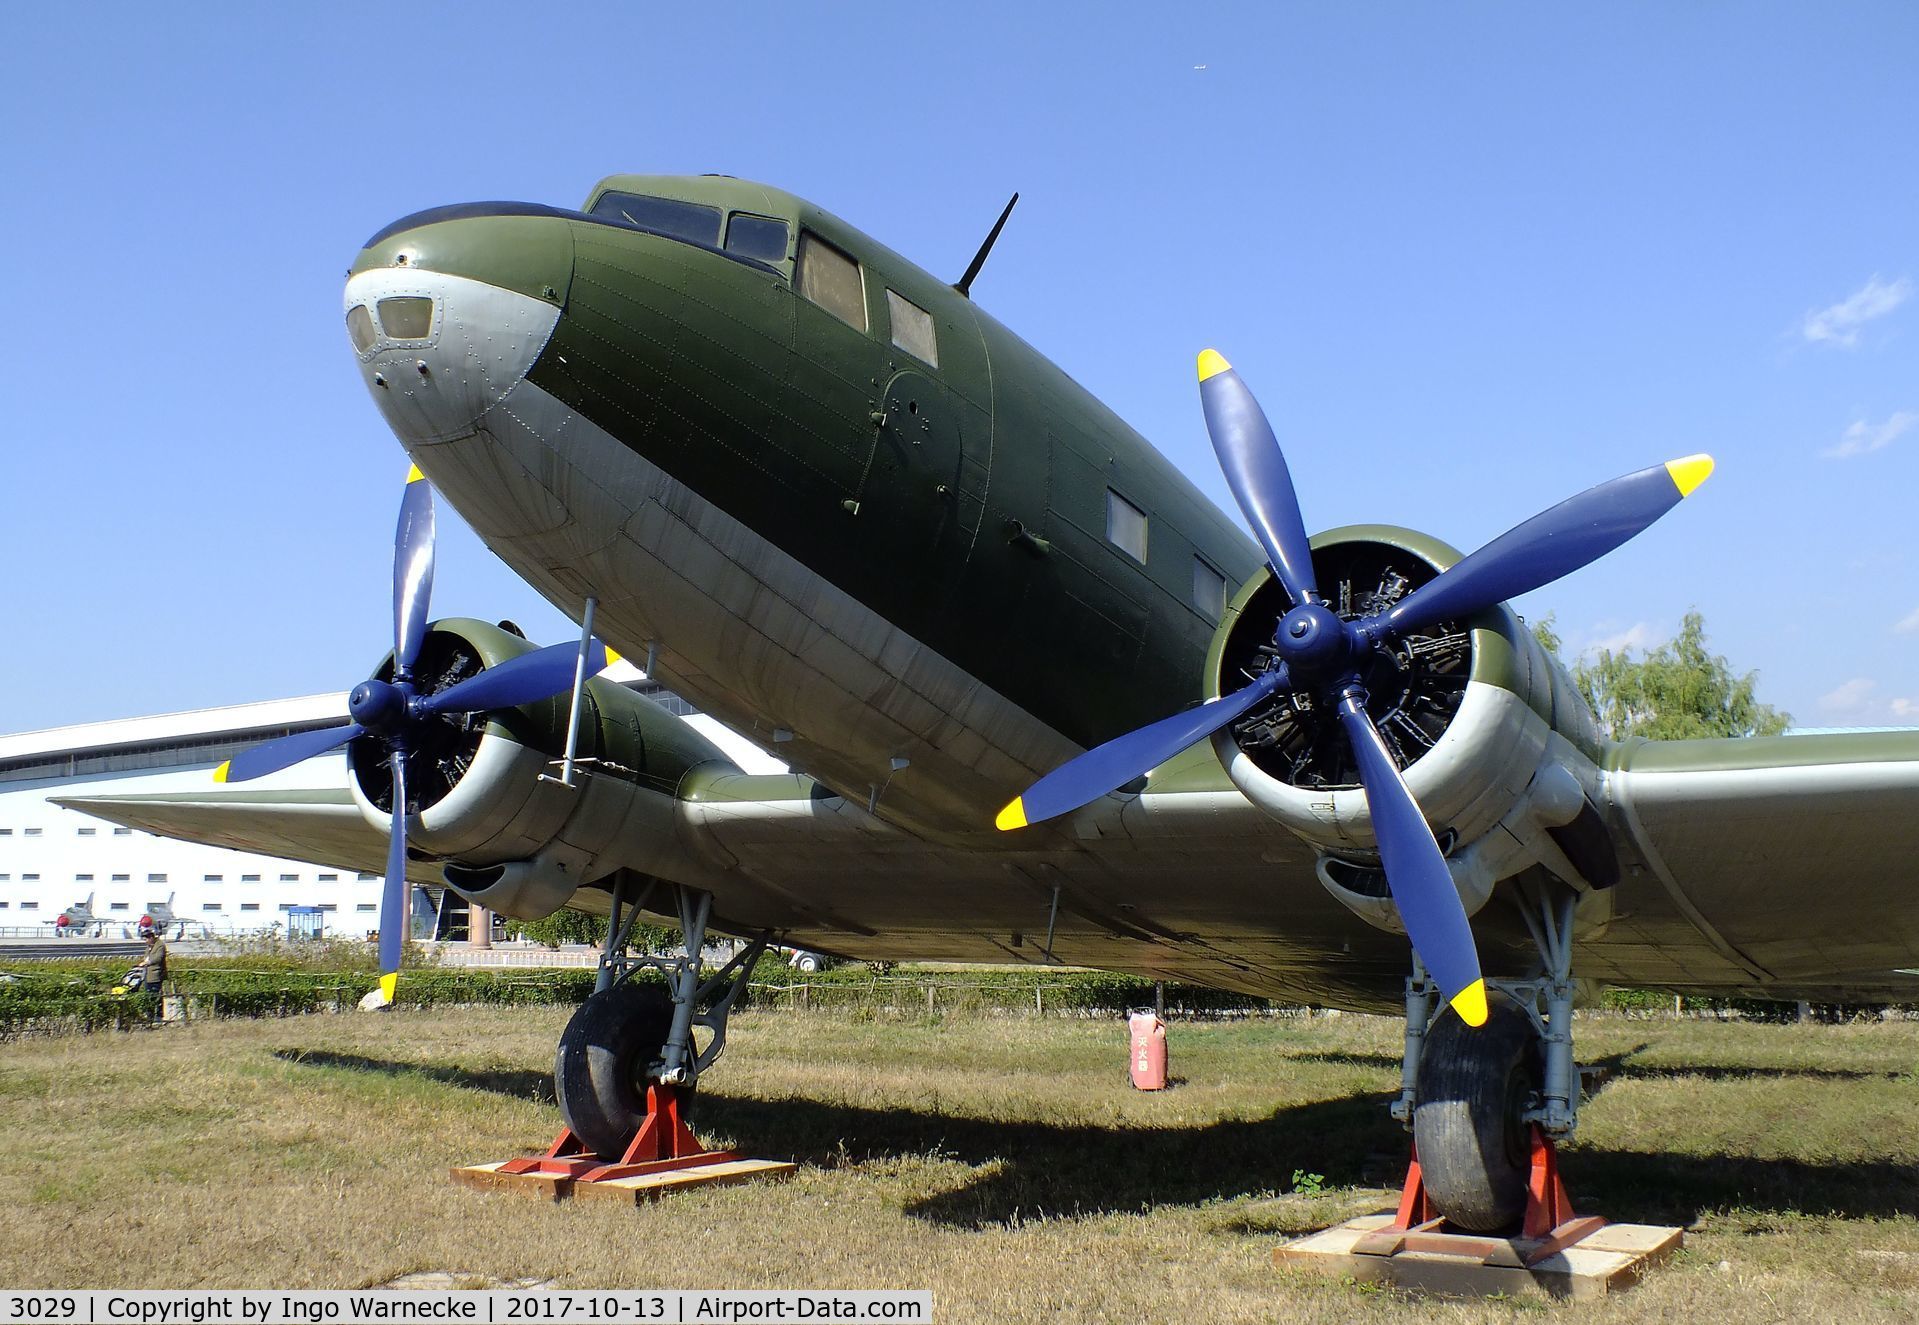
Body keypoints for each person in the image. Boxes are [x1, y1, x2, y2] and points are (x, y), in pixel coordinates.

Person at [135, 917, 169, 993]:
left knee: (154, 994)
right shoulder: (149, 946)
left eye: (146, 939)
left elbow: (158, 958)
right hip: (147, 975)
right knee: (148, 993)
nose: (145, 941)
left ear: (151, 937)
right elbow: (146, 957)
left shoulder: (160, 945)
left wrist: (147, 962)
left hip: (155, 976)